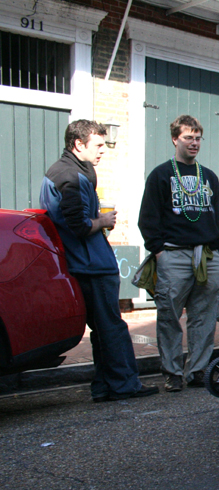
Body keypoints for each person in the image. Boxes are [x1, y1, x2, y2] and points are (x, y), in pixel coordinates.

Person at [40, 120, 158, 402]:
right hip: (92, 264)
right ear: (79, 144)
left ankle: (104, 386)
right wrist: (102, 220)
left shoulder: (67, 170)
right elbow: (79, 225)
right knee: (111, 326)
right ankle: (124, 385)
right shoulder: (71, 176)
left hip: (81, 262)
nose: (104, 150)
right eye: (99, 145)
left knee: (101, 328)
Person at [139, 115, 219, 392]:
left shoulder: (209, 176)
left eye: (198, 137)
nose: (194, 142)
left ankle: (198, 369)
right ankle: (172, 372)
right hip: (174, 255)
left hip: (207, 255)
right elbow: (148, 217)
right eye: (189, 137)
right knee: (169, 315)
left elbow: (218, 217)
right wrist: (159, 252)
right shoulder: (161, 175)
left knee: (205, 316)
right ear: (175, 138)